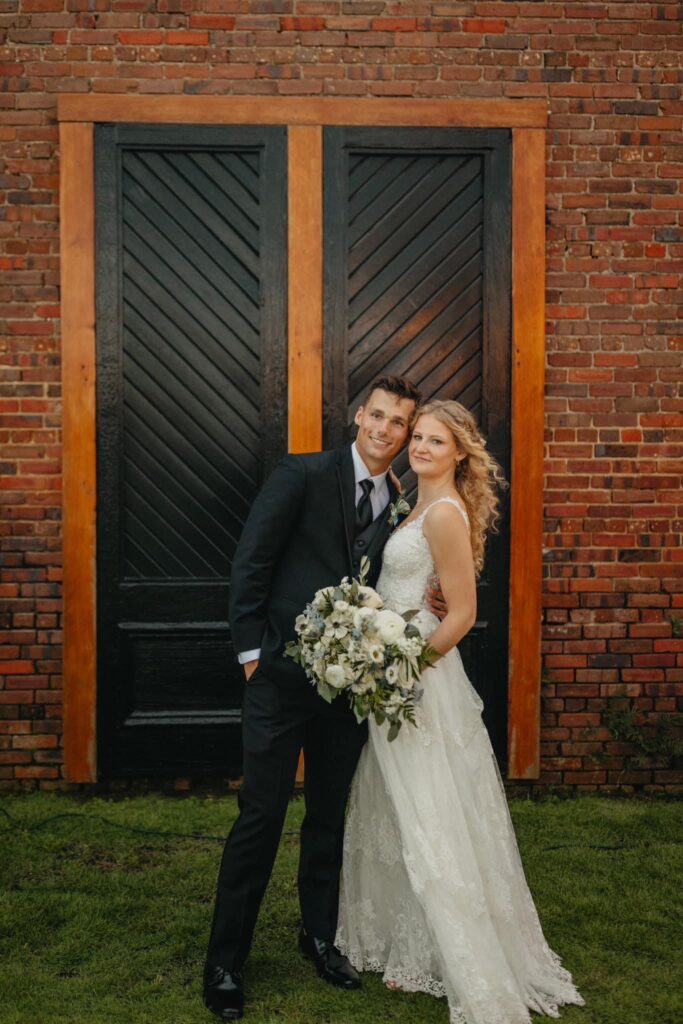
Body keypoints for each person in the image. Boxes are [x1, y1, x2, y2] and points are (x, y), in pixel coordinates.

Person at [336, 400, 585, 1024]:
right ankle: (407, 939)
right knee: (400, 801)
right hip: (394, 662)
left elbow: (463, 614)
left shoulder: (443, 513)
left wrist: (402, 669)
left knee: (431, 808)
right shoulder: (410, 501)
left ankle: (463, 952)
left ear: (460, 453)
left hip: (417, 675)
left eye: (434, 441)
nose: (418, 446)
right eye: (416, 436)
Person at [203, 375, 422, 1020]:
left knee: (328, 816)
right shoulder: (301, 474)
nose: (385, 430)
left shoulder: (400, 499)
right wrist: (251, 655)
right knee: (260, 816)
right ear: (359, 416)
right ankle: (224, 962)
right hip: (277, 680)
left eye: (398, 423)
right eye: (377, 416)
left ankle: (320, 938)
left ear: (408, 434)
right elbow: (251, 563)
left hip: (347, 687)